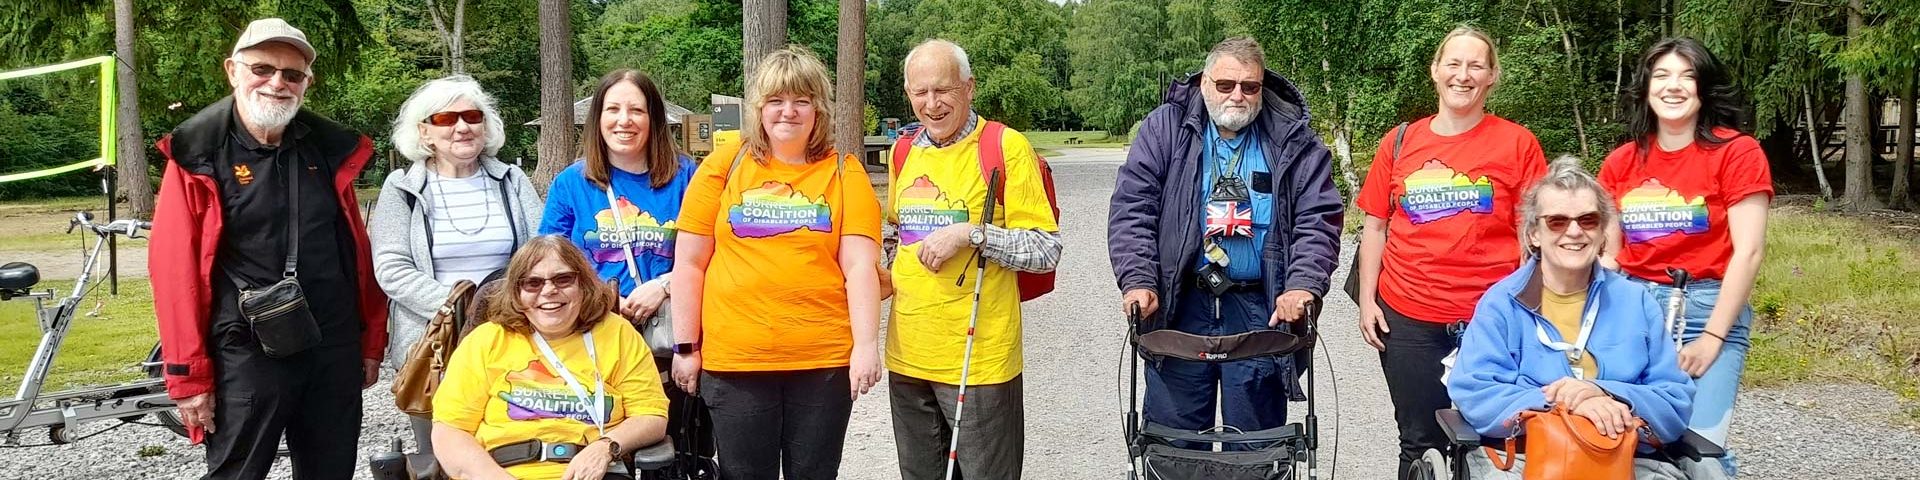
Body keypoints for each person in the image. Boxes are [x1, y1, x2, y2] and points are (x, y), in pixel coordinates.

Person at [148, 18, 387, 479]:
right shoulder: (197, 153)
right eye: (262, 68)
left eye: (292, 74)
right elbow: (174, 272)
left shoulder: (330, 149)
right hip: (246, 345)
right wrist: (188, 375)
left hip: (332, 343)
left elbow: (355, 251)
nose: (277, 82)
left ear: (306, 84)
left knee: (332, 470)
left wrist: (369, 339)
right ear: (233, 71)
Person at [1107, 36, 1344, 449]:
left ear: (1262, 87)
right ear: (1204, 83)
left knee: (1255, 445)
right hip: (1179, 304)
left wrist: (1302, 284)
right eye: (1225, 84)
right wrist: (1138, 279)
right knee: (1174, 442)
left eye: (1250, 86)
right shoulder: (1165, 127)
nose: (1238, 95)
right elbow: (1133, 207)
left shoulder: (1294, 137)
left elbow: (1318, 218)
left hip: (1260, 309)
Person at [667, 45, 884, 480]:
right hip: (737, 363)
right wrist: (686, 347)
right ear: (759, 108)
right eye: (776, 101)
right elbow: (689, 264)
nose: (788, 111)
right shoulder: (723, 166)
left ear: (818, 109)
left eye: (801, 100)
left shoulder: (845, 171)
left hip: (821, 364)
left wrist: (865, 346)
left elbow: (860, 267)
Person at [1352, 26, 1548, 478]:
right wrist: (1367, 301)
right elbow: (1376, 225)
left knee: (1496, 437)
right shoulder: (1400, 142)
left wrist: (1532, 311)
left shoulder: (1518, 144)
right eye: (1454, 64)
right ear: (1435, 71)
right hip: (1409, 317)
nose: (1464, 75)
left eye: (1476, 65)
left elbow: (1534, 235)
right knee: (1419, 440)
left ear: (1492, 76)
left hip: (1492, 320)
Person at [1450, 157, 1698, 479]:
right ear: (1534, 234)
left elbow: (1675, 401)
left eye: (1588, 220)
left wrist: (1605, 393)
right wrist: (1565, 404)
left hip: (1623, 456)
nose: (1574, 231)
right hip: (1527, 457)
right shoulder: (1501, 304)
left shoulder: (1636, 302)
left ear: (1602, 232)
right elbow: (1475, 392)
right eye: (1556, 221)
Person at [885, 39, 1062, 480]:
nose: (932, 103)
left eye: (943, 90)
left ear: (969, 88)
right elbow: (897, 234)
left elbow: (1045, 248)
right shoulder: (902, 152)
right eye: (920, 92)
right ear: (907, 93)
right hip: (907, 355)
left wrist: (972, 234)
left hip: (978, 360)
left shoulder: (1004, 146)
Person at [1599, 37, 1771, 478]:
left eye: (1687, 76)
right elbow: (1612, 259)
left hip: (1706, 309)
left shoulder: (1738, 152)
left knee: (1702, 451)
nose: (1673, 86)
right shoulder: (1620, 162)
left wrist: (1713, 337)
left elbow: (1748, 252)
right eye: (1662, 76)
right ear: (1645, 88)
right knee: (1629, 441)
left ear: (1704, 88)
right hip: (1633, 311)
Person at [370, 74, 544, 462]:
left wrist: (501, 310)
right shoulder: (402, 188)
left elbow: (539, 252)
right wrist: (464, 308)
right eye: (446, 119)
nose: (462, 126)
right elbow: (391, 268)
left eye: (472, 116)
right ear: (425, 132)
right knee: (441, 458)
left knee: (513, 448)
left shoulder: (512, 181)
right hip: (433, 344)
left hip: (512, 333)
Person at [539, 68, 704, 460]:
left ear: (654, 119)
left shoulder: (687, 177)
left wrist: (663, 285)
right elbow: (547, 260)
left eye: (637, 110)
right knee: (601, 439)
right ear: (598, 118)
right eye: (613, 109)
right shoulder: (571, 183)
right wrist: (601, 296)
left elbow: (709, 254)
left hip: (669, 336)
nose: (624, 120)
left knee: (674, 445)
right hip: (594, 334)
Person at [431, 236, 670, 480]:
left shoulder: (616, 333)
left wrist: (606, 446)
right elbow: (450, 430)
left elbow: (651, 414)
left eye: (563, 279)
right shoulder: (487, 340)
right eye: (532, 283)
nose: (549, 291)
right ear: (516, 292)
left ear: (583, 284)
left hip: (593, 471)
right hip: (503, 470)